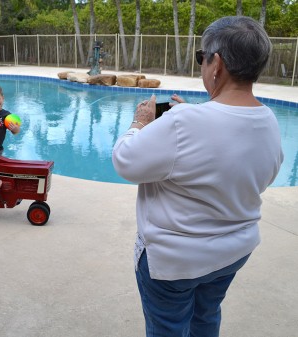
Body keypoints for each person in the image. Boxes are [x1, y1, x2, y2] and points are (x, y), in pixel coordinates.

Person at [112, 16, 283, 337]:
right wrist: (190, 111)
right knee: (205, 318)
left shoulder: (183, 122)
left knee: (168, 328)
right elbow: (250, 164)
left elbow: (125, 161)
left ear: (216, 63)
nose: (202, 66)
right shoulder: (269, 121)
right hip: (233, 253)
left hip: (175, 263)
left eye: (201, 58)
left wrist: (139, 122)